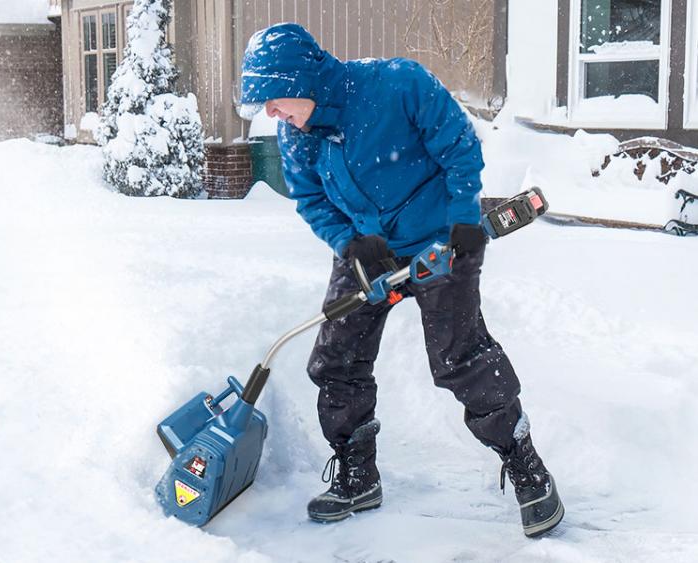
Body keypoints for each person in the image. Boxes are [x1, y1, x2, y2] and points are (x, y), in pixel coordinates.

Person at [239, 23, 564, 538]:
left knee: (461, 358)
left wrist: (461, 220)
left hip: (440, 241)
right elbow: (311, 200)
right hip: (369, 254)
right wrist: (349, 244)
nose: (271, 114)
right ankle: (357, 475)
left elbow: (459, 147)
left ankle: (526, 465)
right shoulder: (296, 135)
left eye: (273, 100)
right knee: (336, 360)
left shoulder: (398, 84)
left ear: (300, 80)